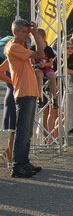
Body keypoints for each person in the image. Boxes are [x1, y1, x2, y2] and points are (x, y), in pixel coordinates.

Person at [5, 19, 45, 178]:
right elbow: (41, 55)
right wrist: (35, 35)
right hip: (24, 91)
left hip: (28, 90)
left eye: (27, 32)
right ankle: (18, 165)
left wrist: (32, 35)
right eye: (23, 32)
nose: (26, 35)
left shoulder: (18, 46)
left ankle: (24, 162)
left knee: (26, 131)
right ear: (15, 32)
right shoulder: (14, 47)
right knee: (23, 131)